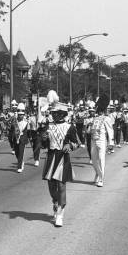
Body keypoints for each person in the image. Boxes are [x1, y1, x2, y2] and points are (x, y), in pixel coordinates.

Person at [41, 90, 79, 226]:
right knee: (51, 187)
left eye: (56, 113)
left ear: (63, 114)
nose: (54, 115)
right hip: (51, 157)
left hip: (63, 158)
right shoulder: (48, 126)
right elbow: (44, 144)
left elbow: (77, 143)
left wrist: (70, 145)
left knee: (61, 186)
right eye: (53, 113)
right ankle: (55, 201)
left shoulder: (70, 127)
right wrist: (44, 139)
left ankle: (60, 215)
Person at [90, 95, 114, 186]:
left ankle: (101, 179)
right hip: (93, 141)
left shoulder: (107, 118)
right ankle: (98, 174)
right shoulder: (94, 118)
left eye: (100, 109)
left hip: (102, 141)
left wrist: (111, 143)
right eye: (98, 109)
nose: (99, 111)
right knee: (94, 160)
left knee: (101, 159)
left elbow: (110, 131)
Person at [12, 103, 30, 173]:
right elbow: (11, 130)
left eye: (22, 115)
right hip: (15, 139)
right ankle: (21, 161)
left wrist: (28, 138)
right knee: (17, 153)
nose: (20, 116)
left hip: (22, 139)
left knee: (21, 152)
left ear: (23, 115)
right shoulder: (14, 122)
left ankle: (19, 166)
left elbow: (27, 132)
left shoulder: (26, 122)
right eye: (19, 115)